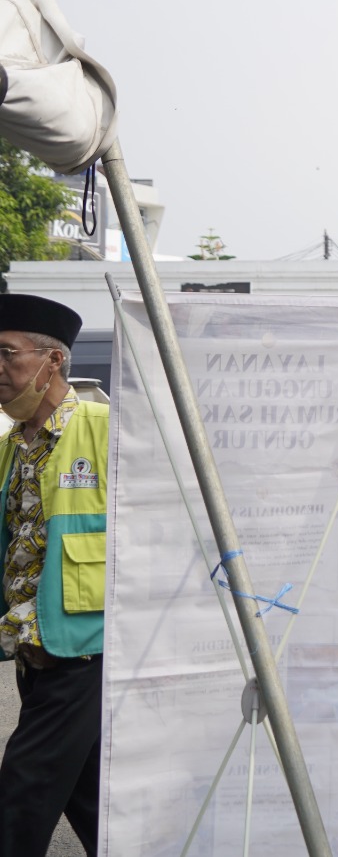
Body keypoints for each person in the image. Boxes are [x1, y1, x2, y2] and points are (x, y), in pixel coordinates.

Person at [0, 295, 105, 857]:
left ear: (52, 362)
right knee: (90, 795)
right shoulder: (10, 449)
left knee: (24, 787)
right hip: (33, 648)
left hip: (87, 648)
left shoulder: (106, 430)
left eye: (6, 354)